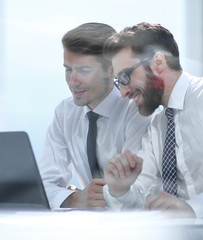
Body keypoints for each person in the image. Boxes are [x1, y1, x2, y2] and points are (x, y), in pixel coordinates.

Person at [102, 22, 203, 218]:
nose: (123, 92)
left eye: (125, 77)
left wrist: (195, 208)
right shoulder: (157, 127)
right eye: (118, 83)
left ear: (158, 62)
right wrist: (120, 190)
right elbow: (142, 196)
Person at [38, 23, 155, 209]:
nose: (72, 81)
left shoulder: (136, 110)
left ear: (112, 70)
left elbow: (134, 189)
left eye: (83, 70)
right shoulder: (65, 112)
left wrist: (75, 195)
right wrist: (75, 198)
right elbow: (44, 185)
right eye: (68, 69)